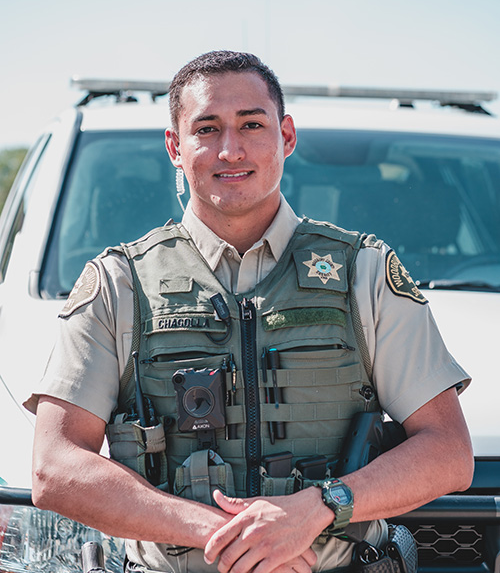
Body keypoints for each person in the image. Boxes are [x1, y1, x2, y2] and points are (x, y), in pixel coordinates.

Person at [26, 51, 474, 573]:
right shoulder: (117, 284)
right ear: (175, 145)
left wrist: (316, 510)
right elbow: (53, 469)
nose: (230, 149)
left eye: (251, 124)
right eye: (207, 128)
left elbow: (448, 452)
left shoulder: (366, 274)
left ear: (286, 136)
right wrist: (239, 538)